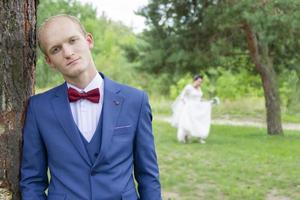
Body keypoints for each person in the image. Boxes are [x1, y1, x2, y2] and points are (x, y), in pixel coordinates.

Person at [20, 14, 161, 200]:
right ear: (49, 61)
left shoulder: (135, 101)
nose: (68, 52)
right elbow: (32, 181)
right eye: (56, 49)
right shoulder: (39, 108)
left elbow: (148, 176)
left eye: (72, 40)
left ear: (88, 41)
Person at [171, 75, 216, 144]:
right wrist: (186, 104)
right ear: (194, 81)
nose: (200, 83)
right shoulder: (189, 87)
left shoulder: (199, 89)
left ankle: (200, 137)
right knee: (188, 122)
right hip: (190, 107)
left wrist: (208, 102)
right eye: (198, 81)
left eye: (201, 82)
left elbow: (199, 98)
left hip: (197, 107)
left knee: (199, 121)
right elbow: (182, 97)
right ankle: (184, 137)